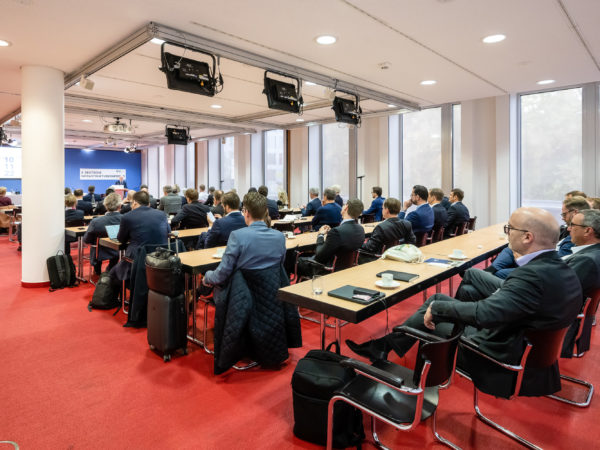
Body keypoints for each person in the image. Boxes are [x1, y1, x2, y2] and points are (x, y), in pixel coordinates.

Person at [347, 206, 582, 398]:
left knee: (435, 307)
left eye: (510, 229)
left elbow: (485, 315)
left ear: (527, 237)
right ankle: (384, 346)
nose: (507, 233)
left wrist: (438, 309)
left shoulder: (531, 276)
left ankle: (413, 387)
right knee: (438, 299)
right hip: (524, 347)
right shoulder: (562, 269)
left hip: (500, 356)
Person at [201, 191, 286, 287]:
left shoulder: (237, 236)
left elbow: (221, 275)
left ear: (246, 212)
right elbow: (279, 267)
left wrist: (207, 276)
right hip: (272, 290)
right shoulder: (280, 237)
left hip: (243, 292)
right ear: (266, 211)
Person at [297, 199, 365, 277]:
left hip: (326, 269)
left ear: (346, 207)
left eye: (344, 205)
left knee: (293, 260)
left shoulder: (336, 232)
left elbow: (319, 256)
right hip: (346, 269)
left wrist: (321, 235)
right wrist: (331, 233)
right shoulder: (360, 229)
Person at [115, 190, 170, 262]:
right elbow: (168, 232)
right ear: (149, 204)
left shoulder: (127, 217)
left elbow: (121, 239)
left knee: (115, 268)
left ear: (134, 202)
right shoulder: (162, 214)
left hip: (138, 259)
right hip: (160, 257)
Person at [359, 197, 415, 263]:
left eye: (383, 208)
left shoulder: (380, 228)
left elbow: (370, 248)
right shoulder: (407, 224)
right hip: (400, 257)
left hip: (380, 259)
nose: (382, 210)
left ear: (387, 210)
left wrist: (358, 243)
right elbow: (412, 242)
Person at [83, 192, 122, 275]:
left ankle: (98, 272)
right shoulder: (125, 219)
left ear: (105, 205)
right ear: (119, 206)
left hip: (99, 251)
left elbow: (86, 240)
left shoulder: (96, 222)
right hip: (119, 251)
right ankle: (110, 270)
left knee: (95, 244)